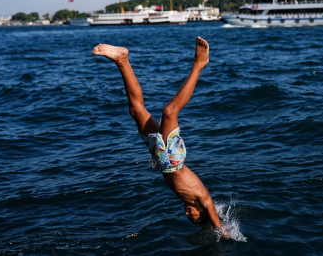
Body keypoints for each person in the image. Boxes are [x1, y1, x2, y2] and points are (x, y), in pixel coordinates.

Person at [92, 37, 228, 238]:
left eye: (188, 215)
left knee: (136, 110)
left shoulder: (190, 200)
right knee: (170, 112)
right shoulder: (204, 200)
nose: (186, 212)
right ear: (203, 213)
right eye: (192, 216)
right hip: (172, 160)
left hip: (160, 157)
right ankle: (200, 64)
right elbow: (218, 224)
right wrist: (226, 236)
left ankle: (122, 60)